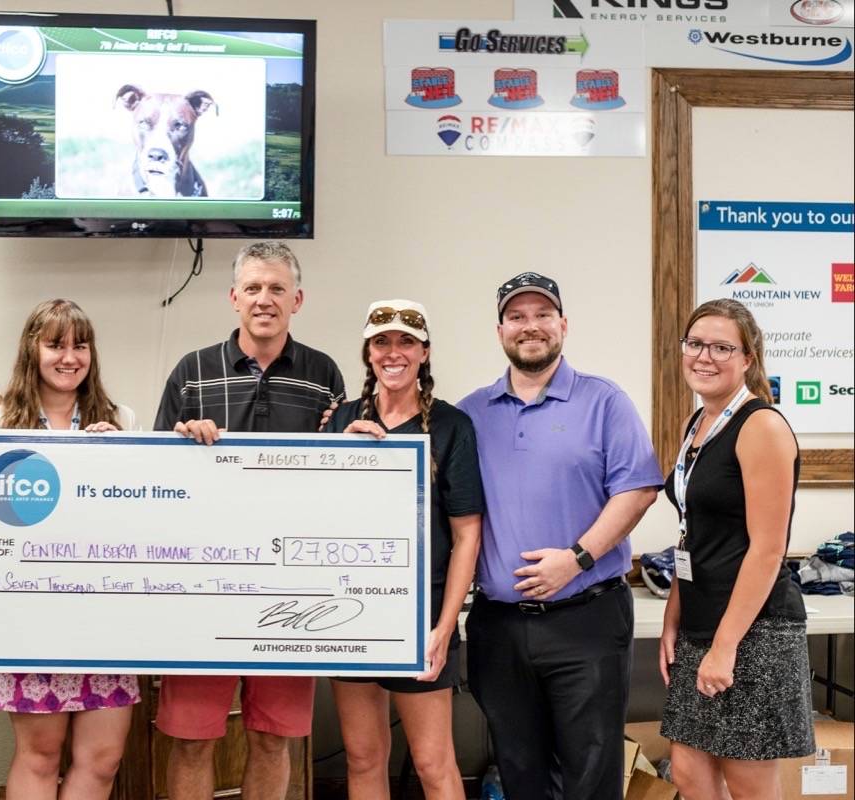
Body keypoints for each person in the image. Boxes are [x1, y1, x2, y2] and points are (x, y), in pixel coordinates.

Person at [456, 272, 663, 800]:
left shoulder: (604, 402)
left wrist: (575, 558)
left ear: (563, 325)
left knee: (591, 775)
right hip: (498, 628)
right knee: (519, 771)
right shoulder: (468, 414)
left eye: (543, 315)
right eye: (518, 317)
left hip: (586, 619)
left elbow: (638, 490)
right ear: (500, 330)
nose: (531, 327)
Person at [154, 241, 345, 800]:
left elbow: (337, 477)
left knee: (272, 739)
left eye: (278, 289)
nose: (265, 299)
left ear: (298, 300)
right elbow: (157, 477)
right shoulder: (192, 372)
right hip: (201, 586)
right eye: (254, 288)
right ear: (234, 297)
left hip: (290, 588)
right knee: (190, 741)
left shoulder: (323, 374)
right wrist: (181, 442)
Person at [0, 298, 139, 800]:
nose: (69, 357)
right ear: (32, 350)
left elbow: (142, 519)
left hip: (103, 617)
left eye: (80, 345)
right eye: (55, 345)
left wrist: (121, 461)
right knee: (41, 756)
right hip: (29, 618)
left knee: (104, 759)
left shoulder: (123, 419)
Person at [324, 300, 483, 799]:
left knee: (433, 762)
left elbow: (467, 535)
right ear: (368, 353)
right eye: (382, 342)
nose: (393, 353)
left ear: (425, 352)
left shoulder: (452, 427)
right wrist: (343, 455)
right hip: (350, 610)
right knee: (363, 756)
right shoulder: (341, 420)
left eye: (406, 342)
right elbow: (319, 517)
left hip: (421, 615)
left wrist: (443, 627)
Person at [658, 299, 813, 800]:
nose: (704, 356)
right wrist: (673, 618)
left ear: (748, 357)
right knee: (689, 772)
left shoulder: (760, 426)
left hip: (753, 631)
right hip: (702, 622)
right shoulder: (696, 425)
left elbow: (769, 551)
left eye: (722, 347)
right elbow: (693, 532)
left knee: (749, 785)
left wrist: (724, 648)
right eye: (695, 343)